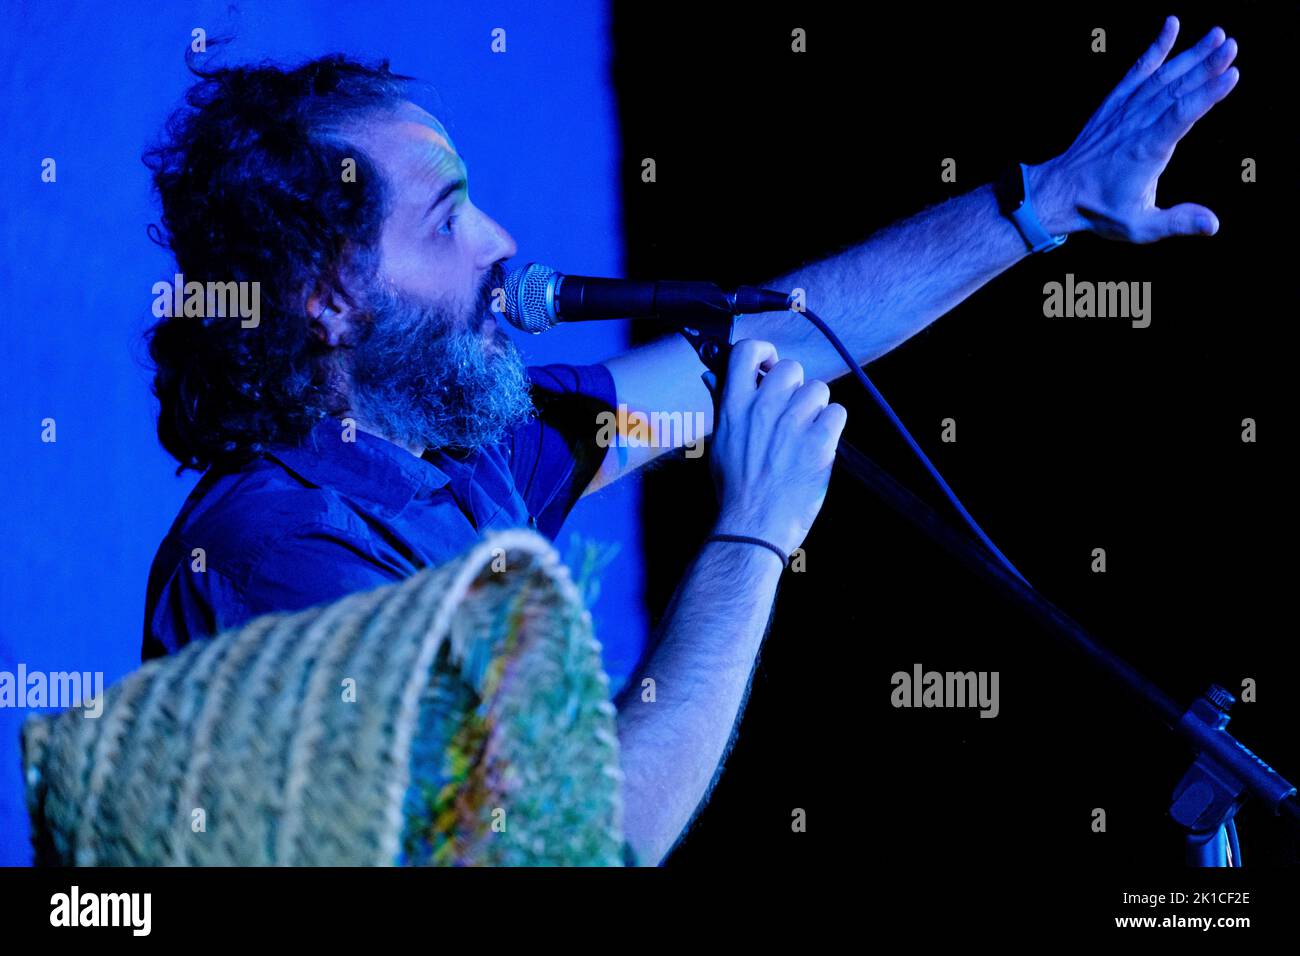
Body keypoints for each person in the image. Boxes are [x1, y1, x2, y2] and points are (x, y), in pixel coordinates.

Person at [141, 18, 1237, 864]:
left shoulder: (462, 457)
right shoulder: (280, 552)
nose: (500, 242)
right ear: (328, 295)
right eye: (446, 217)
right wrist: (750, 538)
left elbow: (765, 350)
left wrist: (1039, 206)